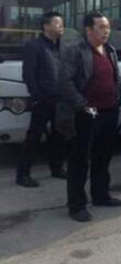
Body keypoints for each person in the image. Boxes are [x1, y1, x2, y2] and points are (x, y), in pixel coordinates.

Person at [59, 12, 121, 222]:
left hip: (109, 111)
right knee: (80, 160)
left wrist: (117, 97)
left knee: (103, 157)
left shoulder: (110, 50)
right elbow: (65, 82)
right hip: (86, 113)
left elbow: (114, 78)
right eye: (101, 27)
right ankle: (76, 205)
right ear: (88, 30)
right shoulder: (75, 51)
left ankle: (101, 195)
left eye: (108, 27)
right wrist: (83, 106)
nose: (106, 31)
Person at [16, 12, 67, 188]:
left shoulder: (63, 47)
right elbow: (29, 75)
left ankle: (57, 168)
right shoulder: (34, 46)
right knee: (34, 136)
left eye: (62, 23)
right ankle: (23, 174)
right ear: (46, 26)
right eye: (57, 23)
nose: (61, 26)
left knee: (59, 136)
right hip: (42, 100)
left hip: (60, 99)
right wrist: (37, 96)